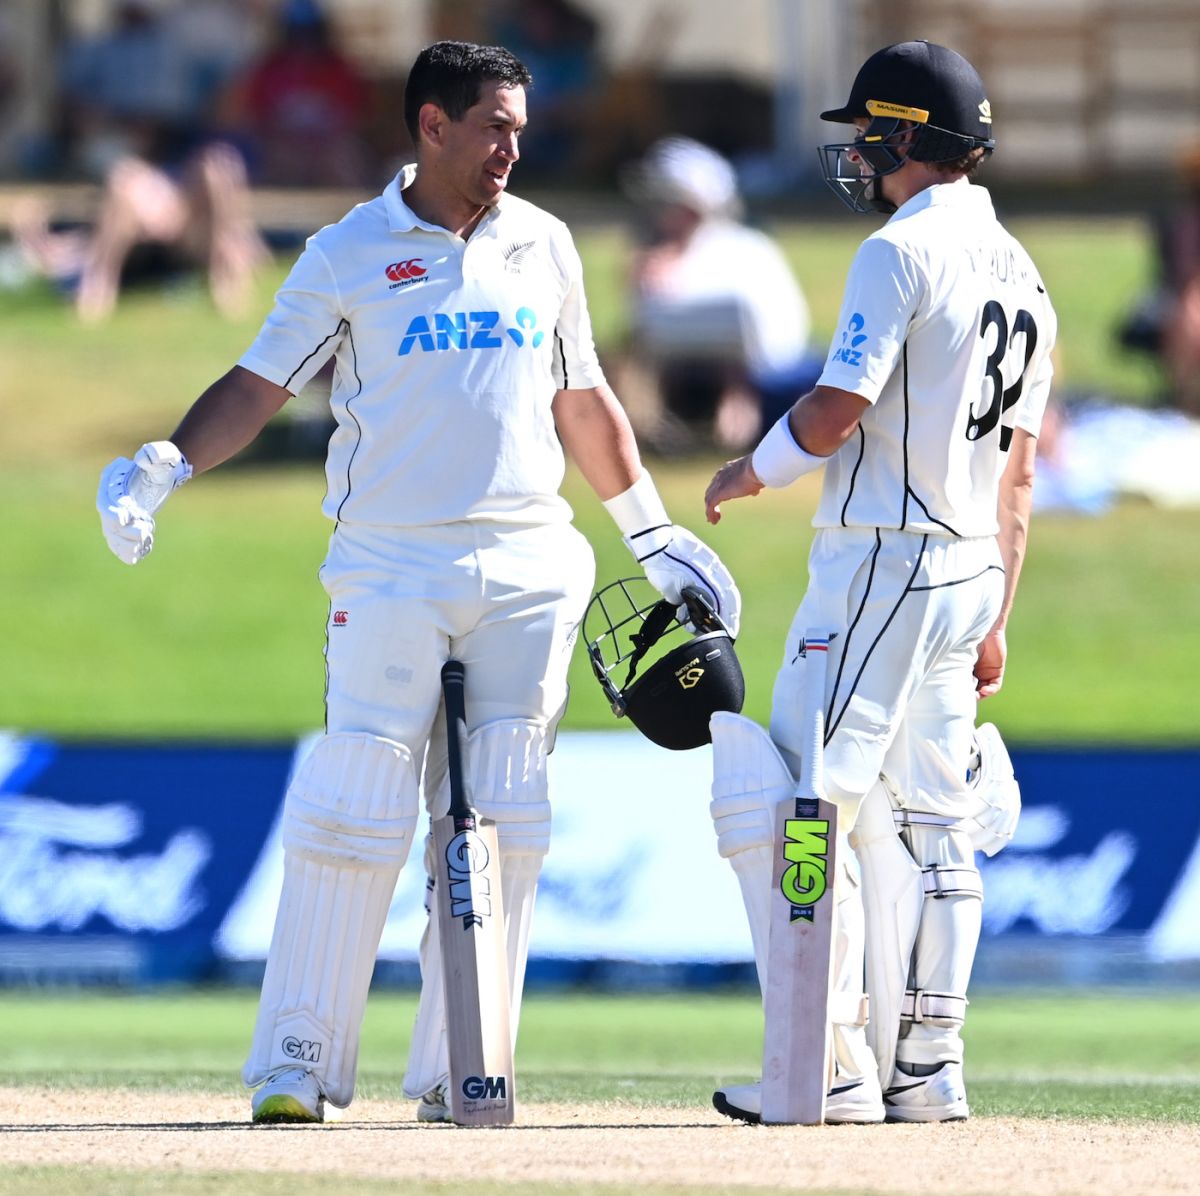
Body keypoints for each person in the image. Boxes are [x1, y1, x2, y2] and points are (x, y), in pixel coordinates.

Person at [95, 39, 739, 1125]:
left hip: (533, 557)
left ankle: (463, 1063)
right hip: (391, 559)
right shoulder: (349, 251)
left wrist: (653, 535)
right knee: (356, 796)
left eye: (521, 129)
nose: (512, 148)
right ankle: (296, 1061)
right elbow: (259, 381)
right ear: (431, 126)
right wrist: (165, 464)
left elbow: (583, 399)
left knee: (509, 806)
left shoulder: (546, 243)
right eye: (494, 126)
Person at [702, 41, 1055, 1123]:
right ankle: (929, 1063)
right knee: (937, 825)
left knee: (801, 799)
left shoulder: (899, 252)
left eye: (869, 134)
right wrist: (995, 609)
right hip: (964, 569)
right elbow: (1022, 475)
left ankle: (824, 1062)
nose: (858, 154)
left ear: (908, 138)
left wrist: (745, 472)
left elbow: (835, 406)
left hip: (882, 559)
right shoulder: (1027, 274)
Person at [613, 137, 822, 455]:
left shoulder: (737, 246)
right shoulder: (665, 252)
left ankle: (717, 428)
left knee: (727, 364)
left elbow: (760, 330)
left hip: (756, 365)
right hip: (698, 367)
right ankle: (647, 427)